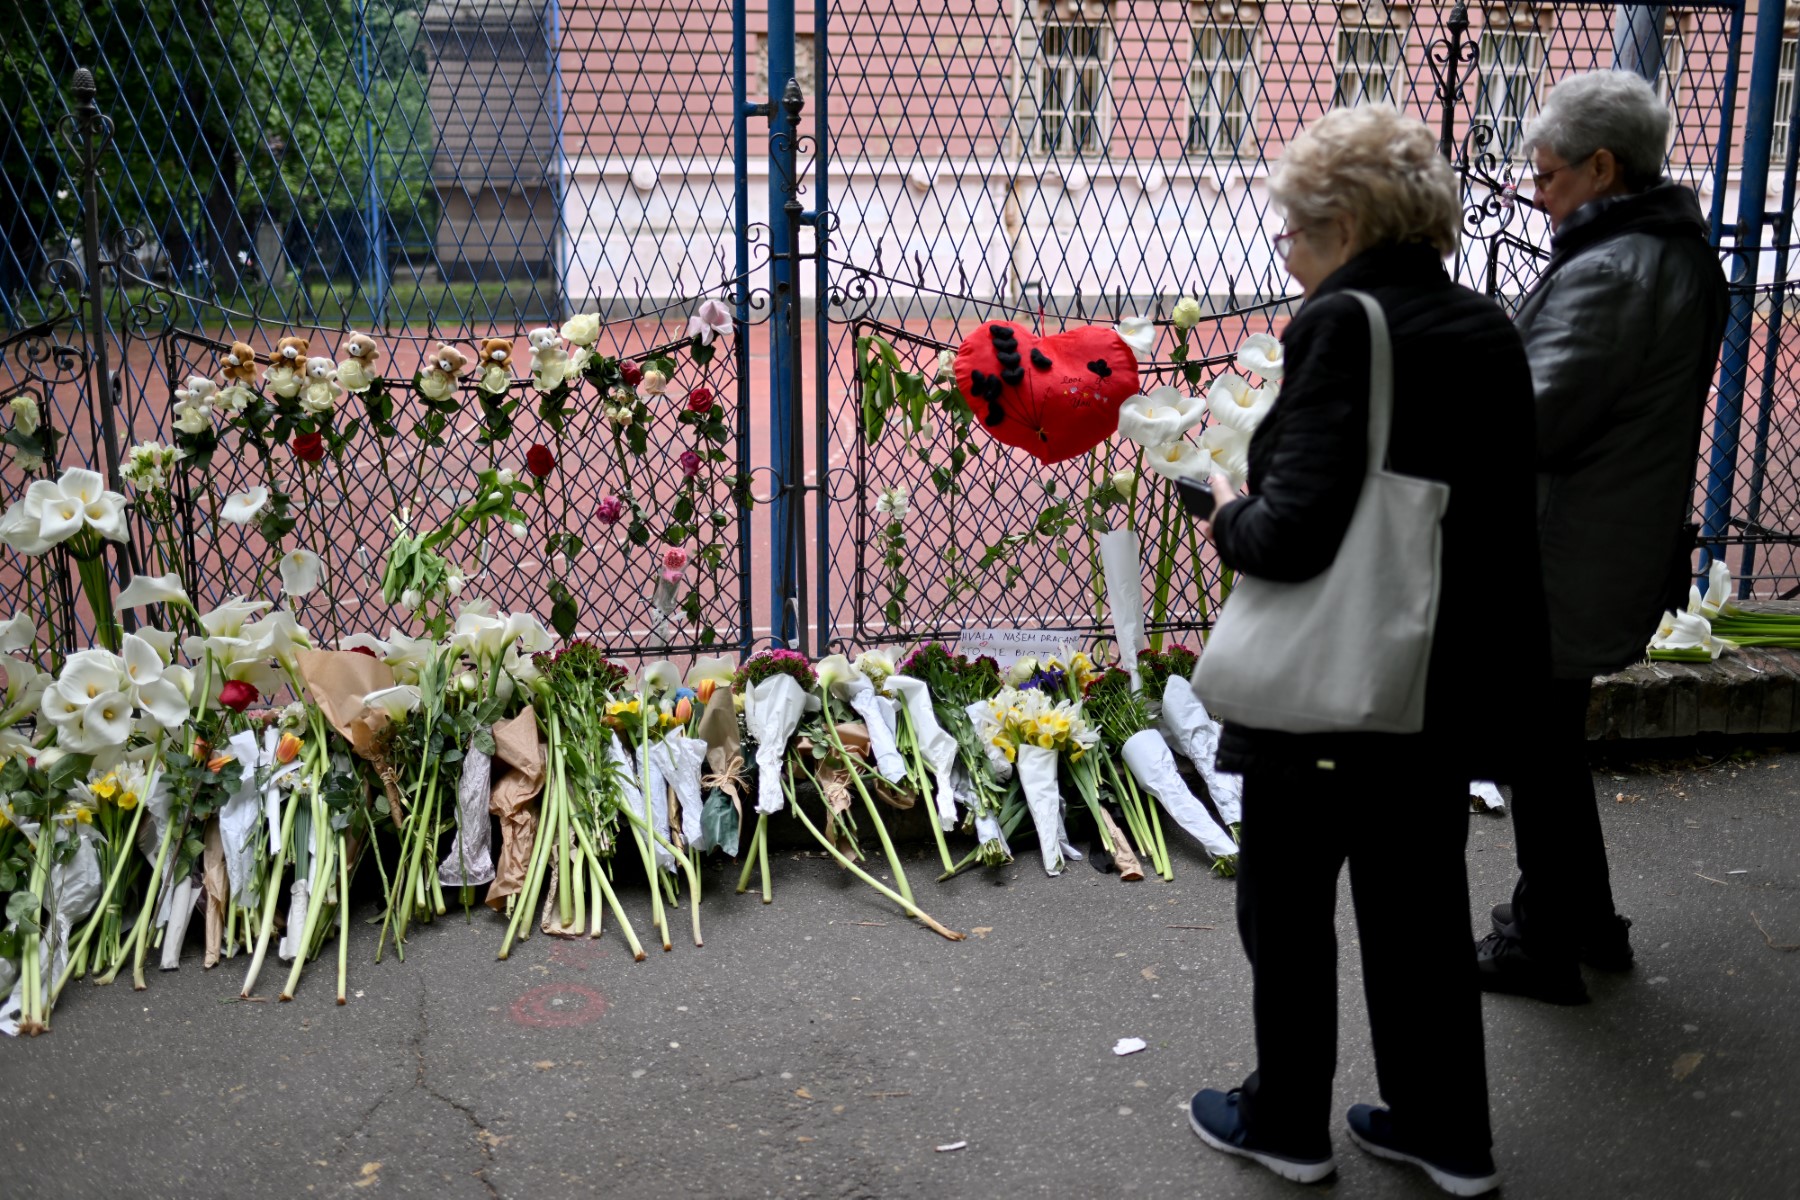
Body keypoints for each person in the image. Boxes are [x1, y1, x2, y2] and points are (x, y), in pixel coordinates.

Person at [1184, 104, 1547, 1198]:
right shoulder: (1486, 326)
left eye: (1292, 230)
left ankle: (1286, 1120)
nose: (1285, 254)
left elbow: (1292, 535)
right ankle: (1447, 1132)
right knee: (1420, 913)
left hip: (1327, 700)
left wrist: (1224, 502)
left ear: (1342, 226)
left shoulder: (1343, 324)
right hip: (1439, 682)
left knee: (1288, 910)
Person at [1476, 70, 1728, 1006]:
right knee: (1547, 741)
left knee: (1534, 746)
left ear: (1604, 167)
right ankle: (1586, 921)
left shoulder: (1618, 269)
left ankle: (1544, 942)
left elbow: (1530, 422)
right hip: (1609, 535)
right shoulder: (1671, 250)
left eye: (1547, 179)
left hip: (1562, 546)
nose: (1538, 199)